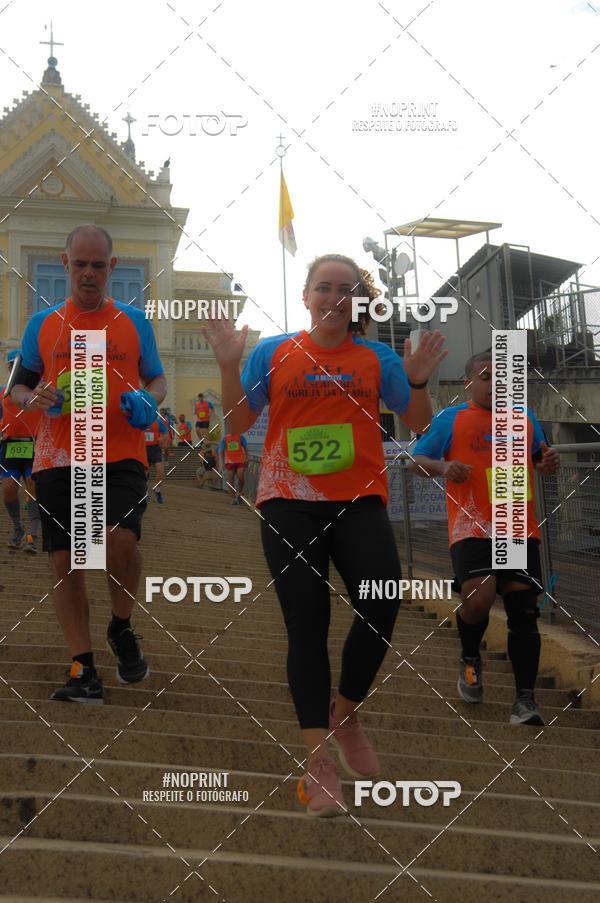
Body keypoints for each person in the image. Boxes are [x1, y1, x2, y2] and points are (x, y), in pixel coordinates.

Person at [205, 253, 446, 816]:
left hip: (359, 499)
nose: (334, 297)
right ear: (306, 297)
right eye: (323, 288)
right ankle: (317, 764)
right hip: (289, 500)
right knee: (306, 624)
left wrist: (414, 380)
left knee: (382, 604)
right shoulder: (274, 352)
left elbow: (421, 425)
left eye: (346, 290)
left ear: (358, 301)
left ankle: (345, 709)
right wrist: (226, 367)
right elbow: (239, 424)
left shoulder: (376, 357)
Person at [9, 224, 166, 704]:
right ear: (66, 263)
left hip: (118, 453)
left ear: (112, 267)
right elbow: (17, 386)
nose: (89, 273)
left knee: (117, 540)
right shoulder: (42, 324)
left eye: (99, 265)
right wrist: (33, 397)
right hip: (59, 455)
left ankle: (121, 626)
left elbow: (157, 379)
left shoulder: (135, 322)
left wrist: (148, 400)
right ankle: (84, 669)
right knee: (65, 560)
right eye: (81, 264)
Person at [410, 351, 560, 727]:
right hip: (471, 525)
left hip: (517, 525)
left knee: (523, 608)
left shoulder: (525, 419)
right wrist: (445, 466)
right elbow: (416, 461)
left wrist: (546, 462)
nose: (497, 383)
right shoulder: (451, 419)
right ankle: (470, 657)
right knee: (479, 595)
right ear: (469, 382)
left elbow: (540, 458)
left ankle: (525, 700)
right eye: (487, 376)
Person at [0, 349, 42, 551]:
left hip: (34, 445)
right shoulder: (2, 391)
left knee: (33, 487)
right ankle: (17, 528)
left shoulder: (37, 389)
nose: (13, 369)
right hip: (10, 446)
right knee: (8, 488)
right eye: (11, 366)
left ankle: (33, 535)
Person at [218, 431, 247, 504]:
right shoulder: (225, 439)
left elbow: (246, 448)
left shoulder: (241, 437)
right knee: (230, 482)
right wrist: (221, 464)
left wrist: (247, 458)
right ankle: (234, 498)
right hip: (230, 462)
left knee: (241, 478)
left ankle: (239, 492)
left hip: (240, 461)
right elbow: (221, 451)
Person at [145, 417, 169, 503]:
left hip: (155, 449)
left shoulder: (158, 422)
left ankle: (157, 489)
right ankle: (145, 493)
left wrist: (162, 439)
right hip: (143, 449)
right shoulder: (140, 419)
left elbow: (166, 432)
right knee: (144, 473)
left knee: (161, 473)